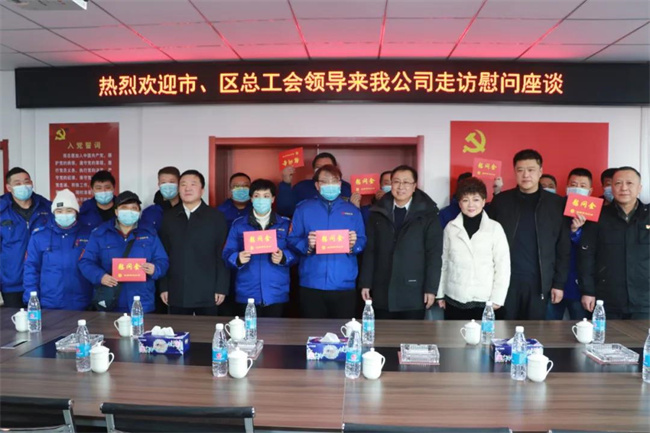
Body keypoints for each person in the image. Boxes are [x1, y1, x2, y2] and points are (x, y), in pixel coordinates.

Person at [489, 149, 570, 320]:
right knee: (504, 330)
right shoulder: (501, 201)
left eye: (531, 170)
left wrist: (559, 283)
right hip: (506, 281)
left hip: (540, 282)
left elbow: (563, 247)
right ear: (514, 172)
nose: (526, 175)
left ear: (540, 171)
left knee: (535, 331)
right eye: (520, 170)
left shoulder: (556, 203)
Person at [359, 165, 442, 320]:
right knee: (383, 333)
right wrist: (366, 283)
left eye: (406, 182)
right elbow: (370, 250)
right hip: (382, 288)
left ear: (414, 186)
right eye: (396, 182)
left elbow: (434, 254)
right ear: (391, 184)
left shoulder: (428, 214)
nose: (401, 187)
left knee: (411, 333)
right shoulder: (378, 212)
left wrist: (431, 288)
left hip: (414, 290)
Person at [287, 164, 366, 319]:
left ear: (340, 184)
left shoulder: (352, 211)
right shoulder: (303, 209)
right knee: (312, 330)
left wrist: (354, 245)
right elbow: (292, 239)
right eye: (325, 181)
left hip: (344, 284)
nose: (330, 185)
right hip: (311, 283)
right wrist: (307, 244)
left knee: (343, 330)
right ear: (317, 185)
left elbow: (362, 239)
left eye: (334, 181)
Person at [79, 191, 169, 313]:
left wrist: (155, 269)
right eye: (124, 208)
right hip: (111, 301)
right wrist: (100, 276)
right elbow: (85, 261)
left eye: (133, 208)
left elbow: (162, 260)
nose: (129, 212)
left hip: (142, 302)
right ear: (116, 211)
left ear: (139, 212)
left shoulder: (149, 233)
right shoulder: (100, 233)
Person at [579, 167, 649, 319]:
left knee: (643, 335)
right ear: (611, 188)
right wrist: (588, 291)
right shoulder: (597, 216)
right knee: (607, 335)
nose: (623, 188)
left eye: (629, 183)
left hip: (645, 299)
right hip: (607, 299)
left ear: (639, 188)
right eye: (618, 183)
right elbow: (587, 256)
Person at [437, 177, 510, 320]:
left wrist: (498, 298)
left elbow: (503, 266)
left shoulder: (495, 228)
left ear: (483, 201)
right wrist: (440, 293)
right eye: (465, 200)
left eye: (476, 199)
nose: (471, 205)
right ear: (459, 203)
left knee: (485, 334)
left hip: (485, 300)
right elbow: (443, 262)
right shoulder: (451, 228)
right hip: (454, 297)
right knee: (453, 334)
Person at [159, 170, 230, 315]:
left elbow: (222, 254)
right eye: (183, 184)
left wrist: (221, 287)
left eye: (193, 184)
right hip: (177, 289)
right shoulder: (168, 218)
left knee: (207, 329)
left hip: (208, 289)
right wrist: (164, 286)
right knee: (177, 328)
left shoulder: (216, 217)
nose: (187, 188)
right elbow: (163, 254)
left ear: (202, 190)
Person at [223, 179, 297, 317]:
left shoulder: (285, 224)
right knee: (248, 330)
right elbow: (226, 254)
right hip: (247, 292)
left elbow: (296, 252)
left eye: (266, 196)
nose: (261, 200)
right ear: (251, 199)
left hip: (276, 292)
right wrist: (238, 258)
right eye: (257, 196)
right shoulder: (239, 225)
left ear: (273, 199)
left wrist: (284, 257)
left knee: (276, 330)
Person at [22, 189, 93, 310]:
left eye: (69, 210)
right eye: (59, 211)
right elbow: (31, 268)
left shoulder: (89, 234)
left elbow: (96, 266)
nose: (64, 214)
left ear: (76, 212)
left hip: (83, 302)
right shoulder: (40, 236)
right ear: (53, 212)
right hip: (49, 303)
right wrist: (31, 298)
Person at [0, 167, 51, 307]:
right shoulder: (2, 211)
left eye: (26, 181)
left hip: (43, 281)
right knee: (14, 319)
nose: (23, 185)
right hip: (12, 283)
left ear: (32, 183)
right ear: (9, 187)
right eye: (17, 183)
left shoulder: (46, 207)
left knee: (46, 319)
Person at [546, 168, 593, 320]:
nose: (578, 188)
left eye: (583, 186)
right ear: (567, 187)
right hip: (554, 281)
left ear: (590, 191)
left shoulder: (596, 213)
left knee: (581, 327)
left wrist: (576, 232)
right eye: (573, 184)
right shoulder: (555, 207)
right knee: (548, 327)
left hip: (581, 284)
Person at [277, 152, 352, 217]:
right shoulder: (301, 187)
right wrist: (286, 183)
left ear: (335, 168)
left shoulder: (346, 188)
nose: (323, 171)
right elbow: (285, 211)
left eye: (327, 167)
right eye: (318, 168)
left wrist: (355, 205)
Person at [141, 166, 181, 232]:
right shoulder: (149, 212)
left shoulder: (187, 209)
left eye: (172, 182)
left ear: (179, 184)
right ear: (159, 185)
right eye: (163, 182)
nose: (168, 186)